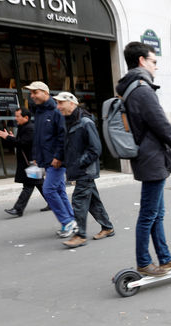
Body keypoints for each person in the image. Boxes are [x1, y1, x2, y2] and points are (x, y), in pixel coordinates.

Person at [116, 42, 171, 277]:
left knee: (156, 213)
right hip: (151, 160)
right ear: (142, 61)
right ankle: (144, 261)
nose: (156, 67)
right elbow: (162, 125)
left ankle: (165, 258)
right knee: (149, 214)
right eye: (153, 62)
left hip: (150, 158)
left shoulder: (133, 87)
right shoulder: (141, 89)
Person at [54, 92, 114, 249]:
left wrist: (80, 163)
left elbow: (96, 148)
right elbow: (66, 144)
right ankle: (107, 227)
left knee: (79, 201)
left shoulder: (85, 122)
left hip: (85, 170)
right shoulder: (68, 121)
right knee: (93, 201)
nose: (58, 106)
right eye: (57, 103)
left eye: (61, 103)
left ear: (72, 104)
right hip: (78, 169)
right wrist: (60, 158)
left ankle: (80, 235)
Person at [25, 80, 77, 238]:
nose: (32, 95)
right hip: (45, 159)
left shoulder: (56, 111)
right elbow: (39, 138)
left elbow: (63, 136)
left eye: (35, 92)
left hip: (56, 160)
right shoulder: (39, 112)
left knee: (48, 190)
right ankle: (71, 221)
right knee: (59, 190)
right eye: (31, 92)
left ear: (45, 93)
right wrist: (35, 157)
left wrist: (58, 157)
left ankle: (68, 222)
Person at [0, 107, 50, 217]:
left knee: (28, 185)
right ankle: (53, 203)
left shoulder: (30, 128)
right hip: (29, 161)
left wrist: (7, 137)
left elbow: (23, 143)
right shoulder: (24, 127)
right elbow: (21, 142)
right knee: (39, 184)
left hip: (32, 161)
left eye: (17, 116)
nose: (16, 119)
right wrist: (11, 137)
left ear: (26, 117)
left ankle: (18, 209)